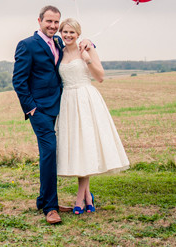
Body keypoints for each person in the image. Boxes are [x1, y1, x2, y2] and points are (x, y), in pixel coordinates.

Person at [12, 5, 91, 225]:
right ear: (39, 21)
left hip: (59, 106)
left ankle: (42, 199)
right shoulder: (27, 45)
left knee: (52, 154)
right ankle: (50, 208)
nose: (53, 26)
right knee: (49, 152)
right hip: (39, 110)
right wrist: (31, 108)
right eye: (49, 22)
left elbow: (75, 46)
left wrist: (90, 43)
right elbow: (18, 80)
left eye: (56, 22)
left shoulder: (57, 42)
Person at [55, 18, 130, 215]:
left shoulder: (87, 49)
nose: (68, 36)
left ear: (78, 34)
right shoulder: (59, 52)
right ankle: (88, 196)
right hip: (68, 101)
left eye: (72, 32)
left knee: (86, 145)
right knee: (78, 147)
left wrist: (87, 57)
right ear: (61, 33)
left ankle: (80, 198)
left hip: (86, 99)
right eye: (65, 32)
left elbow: (100, 77)